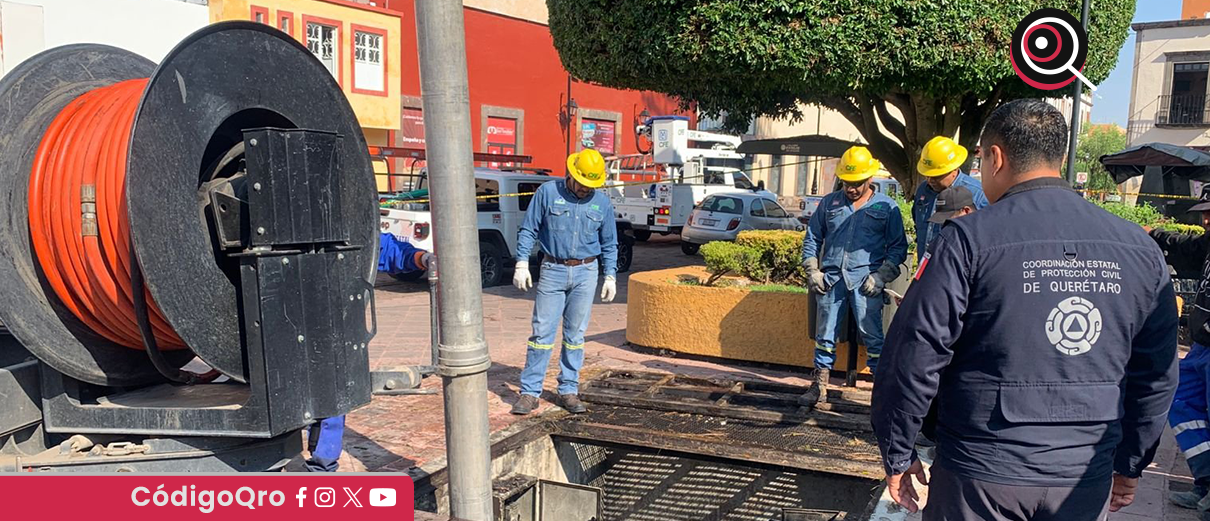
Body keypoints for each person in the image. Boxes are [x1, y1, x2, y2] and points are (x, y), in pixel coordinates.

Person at [871, 99, 1179, 520]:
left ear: (996, 156)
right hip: (1083, 476)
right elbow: (1156, 373)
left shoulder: (966, 241)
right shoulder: (1138, 248)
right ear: (1061, 155)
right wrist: (1131, 462)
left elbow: (915, 352)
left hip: (981, 474)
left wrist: (898, 449)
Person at [305, 234, 434, 472]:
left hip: (333, 326)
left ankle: (321, 468)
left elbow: (385, 249)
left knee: (333, 394)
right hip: (281, 321)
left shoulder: (348, 225)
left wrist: (421, 258)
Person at [511, 148, 618, 416]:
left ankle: (568, 390)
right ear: (571, 174)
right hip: (553, 269)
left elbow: (609, 242)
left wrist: (610, 275)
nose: (586, 190)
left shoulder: (601, 203)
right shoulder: (548, 193)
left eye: (592, 185)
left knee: (575, 336)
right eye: (583, 184)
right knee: (541, 333)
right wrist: (522, 262)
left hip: (586, 272)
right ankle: (530, 392)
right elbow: (529, 229)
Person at [800, 146, 908, 405]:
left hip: (866, 282)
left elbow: (898, 248)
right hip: (832, 281)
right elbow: (812, 238)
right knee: (825, 335)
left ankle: (881, 392)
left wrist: (882, 276)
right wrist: (813, 270)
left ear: (870, 178)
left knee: (872, 336)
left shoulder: (887, 207)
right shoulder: (829, 203)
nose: (851, 188)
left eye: (857, 183)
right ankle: (819, 385)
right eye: (847, 182)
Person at [1147, 189, 1210, 515]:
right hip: (1202, 347)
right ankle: (1205, 479)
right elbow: (1185, 247)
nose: (1206, 219)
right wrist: (1152, 234)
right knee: (1182, 400)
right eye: (1204, 213)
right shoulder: (1209, 243)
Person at [912, 136, 989, 260]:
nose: (930, 180)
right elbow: (919, 227)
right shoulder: (923, 191)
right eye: (927, 175)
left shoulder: (978, 195)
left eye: (937, 175)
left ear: (954, 169)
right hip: (926, 270)